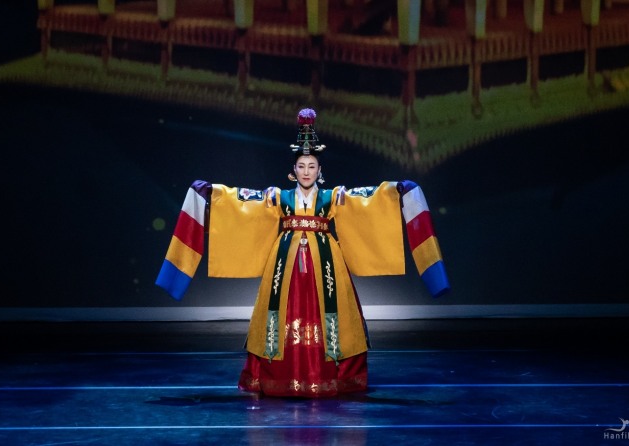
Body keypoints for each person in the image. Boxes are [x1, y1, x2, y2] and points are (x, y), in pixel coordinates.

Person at [155, 108, 450, 397]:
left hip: (327, 264)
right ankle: (277, 374)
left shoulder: (333, 197)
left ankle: (332, 375)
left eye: (311, 166)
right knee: (279, 311)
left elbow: (368, 198)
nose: (306, 171)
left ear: (320, 171)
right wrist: (213, 193)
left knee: (331, 312)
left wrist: (396, 190)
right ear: (292, 171)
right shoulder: (277, 197)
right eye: (301, 166)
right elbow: (243, 200)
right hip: (284, 264)